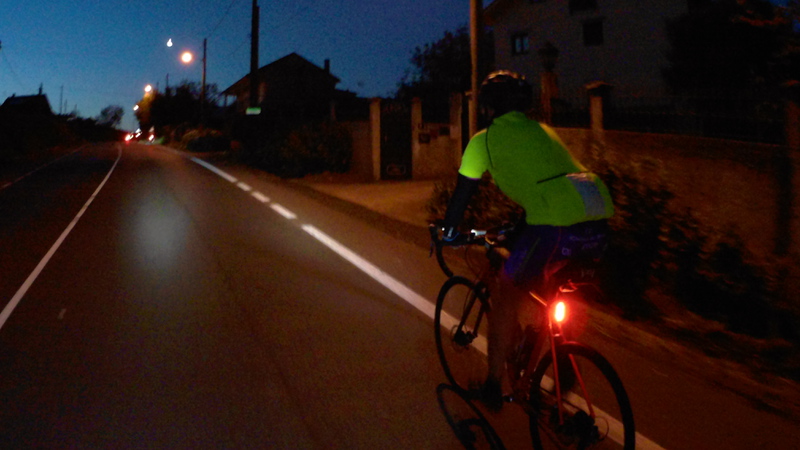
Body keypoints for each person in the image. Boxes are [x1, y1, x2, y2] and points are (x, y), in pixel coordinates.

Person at [441, 70, 614, 411]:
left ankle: (492, 386)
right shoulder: (541, 131)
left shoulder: (483, 141)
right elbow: (552, 182)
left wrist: (447, 232)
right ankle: (562, 361)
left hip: (555, 226)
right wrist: (519, 226)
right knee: (564, 288)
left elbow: (462, 195)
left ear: (488, 109)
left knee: (506, 292)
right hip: (598, 218)